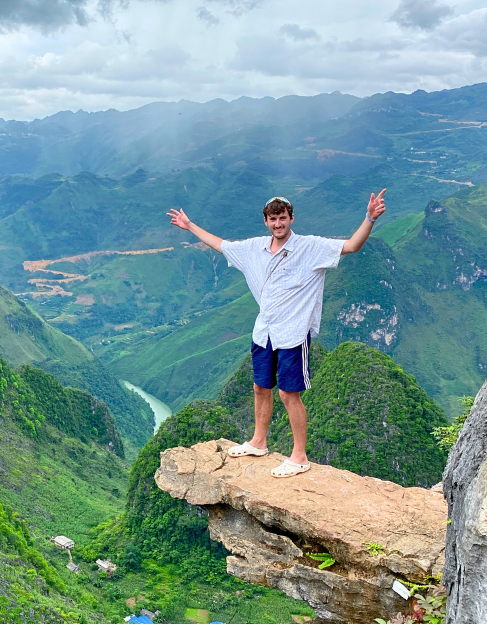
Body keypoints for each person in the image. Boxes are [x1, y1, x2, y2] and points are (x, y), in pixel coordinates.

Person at [166, 191, 387, 477]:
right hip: (265, 331)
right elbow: (221, 245)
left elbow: (352, 246)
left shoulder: (310, 248)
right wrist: (189, 225)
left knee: (288, 394)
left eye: (283, 218)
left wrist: (369, 217)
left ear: (291, 219)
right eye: (273, 219)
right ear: (266, 221)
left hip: (293, 334)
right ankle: (258, 442)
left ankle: (299, 456)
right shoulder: (253, 250)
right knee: (260, 387)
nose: (278, 223)